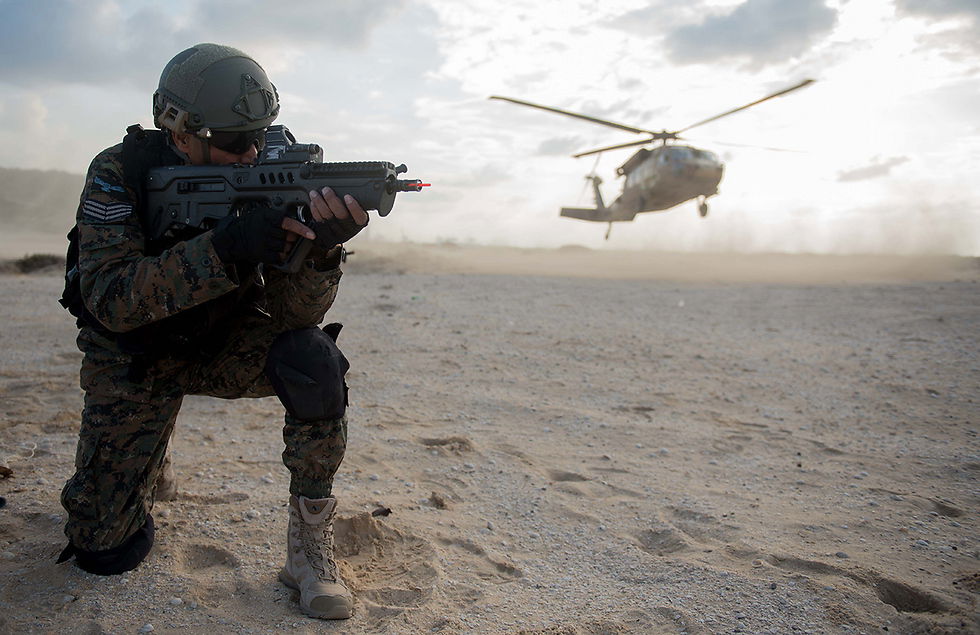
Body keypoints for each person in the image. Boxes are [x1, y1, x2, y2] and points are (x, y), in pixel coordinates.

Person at [57, 43, 366, 620]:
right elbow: (110, 300)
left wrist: (321, 252)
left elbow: (296, 316)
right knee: (101, 549)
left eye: (259, 133)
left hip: (220, 342)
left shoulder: (273, 165)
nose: (251, 151)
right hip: (136, 356)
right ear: (179, 132)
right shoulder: (119, 173)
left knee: (314, 360)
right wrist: (224, 248)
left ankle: (308, 550)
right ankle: (146, 459)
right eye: (232, 141)